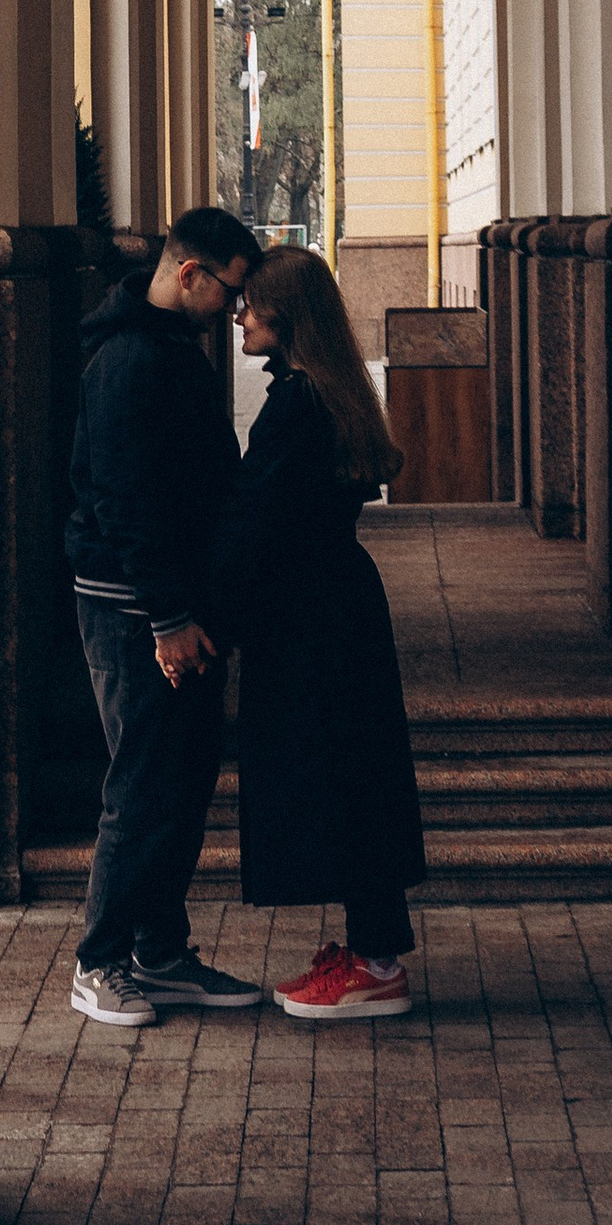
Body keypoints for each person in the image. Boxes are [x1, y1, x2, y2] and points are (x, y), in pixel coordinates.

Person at [64, 205, 270, 1027]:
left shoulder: (170, 351)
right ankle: (99, 961)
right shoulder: (126, 361)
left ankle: (159, 951)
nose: (235, 308)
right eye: (229, 290)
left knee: (182, 782)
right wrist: (169, 618)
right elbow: (122, 502)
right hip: (134, 607)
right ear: (189, 274)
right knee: (144, 781)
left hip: (169, 602)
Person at [208, 247, 427, 1019]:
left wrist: (205, 617)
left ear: (284, 315)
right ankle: (370, 948)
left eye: (252, 304)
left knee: (342, 778)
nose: (239, 314)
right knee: (355, 775)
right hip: (336, 604)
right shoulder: (325, 390)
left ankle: (375, 965)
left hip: (309, 618)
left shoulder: (297, 402)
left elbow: (253, 520)